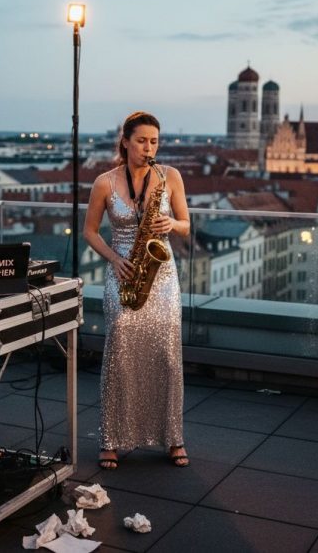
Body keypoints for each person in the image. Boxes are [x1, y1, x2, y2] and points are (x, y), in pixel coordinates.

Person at [82, 111, 191, 469]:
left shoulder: (169, 176)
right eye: (142, 140)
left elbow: (187, 225)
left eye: (154, 141)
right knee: (121, 342)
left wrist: (172, 223)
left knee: (166, 349)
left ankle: (172, 437)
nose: (149, 147)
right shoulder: (104, 182)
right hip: (123, 270)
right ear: (125, 141)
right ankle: (111, 437)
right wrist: (114, 259)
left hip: (160, 273)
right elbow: (90, 232)